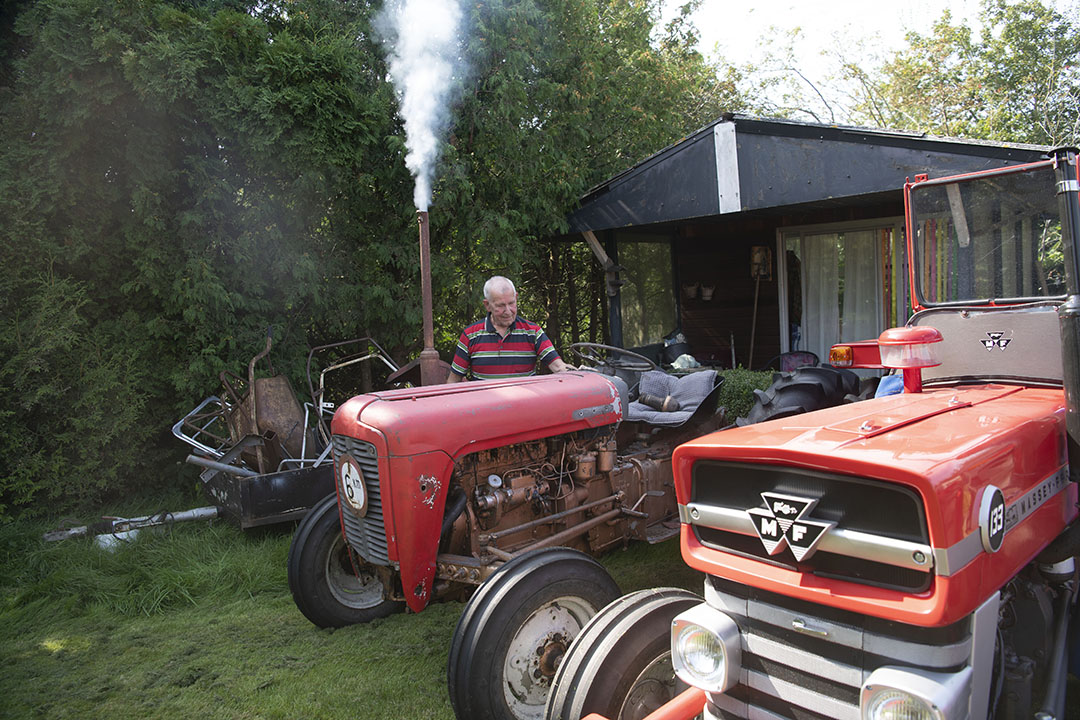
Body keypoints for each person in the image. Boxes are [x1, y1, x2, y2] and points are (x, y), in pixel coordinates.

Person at [446, 276, 569, 382]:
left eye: (511, 303)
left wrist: (582, 373)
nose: (508, 311)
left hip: (524, 407)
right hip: (484, 407)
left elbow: (559, 368)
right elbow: (453, 381)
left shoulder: (533, 332)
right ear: (487, 305)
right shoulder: (470, 335)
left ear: (516, 297)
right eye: (501, 306)